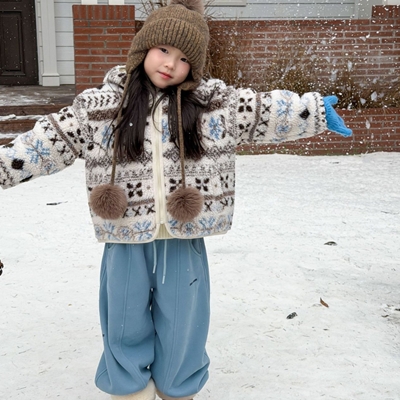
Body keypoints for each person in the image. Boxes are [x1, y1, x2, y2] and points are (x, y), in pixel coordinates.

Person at [0, 0, 352, 399]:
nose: (170, 64)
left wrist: (313, 111)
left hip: (185, 234)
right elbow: (47, 141)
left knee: (185, 317)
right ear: (143, 48)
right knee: (123, 315)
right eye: (163, 50)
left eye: (184, 58)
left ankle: (178, 386)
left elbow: (261, 111)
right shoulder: (99, 107)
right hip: (125, 234)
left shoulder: (212, 105)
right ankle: (129, 388)